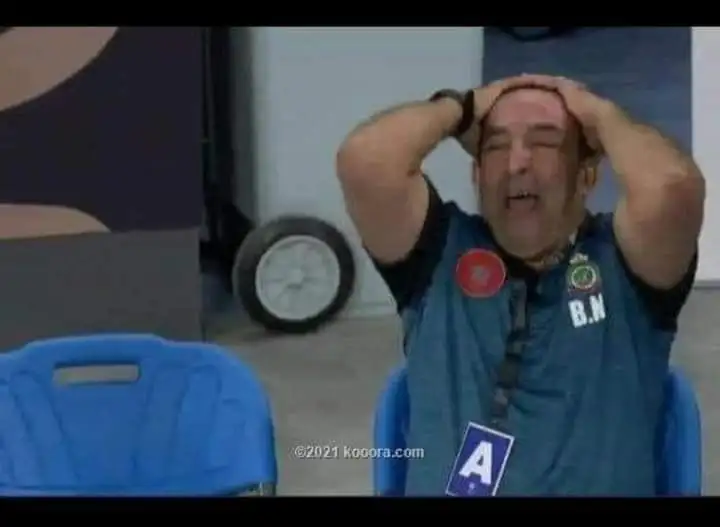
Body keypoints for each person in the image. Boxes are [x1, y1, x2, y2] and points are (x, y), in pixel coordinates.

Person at [336, 74, 705, 496]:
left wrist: (600, 115)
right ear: (477, 176)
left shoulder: (625, 262)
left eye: (544, 143)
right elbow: (365, 162)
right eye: (496, 146)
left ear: (587, 176)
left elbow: (671, 187)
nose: (516, 163)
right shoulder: (440, 254)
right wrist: (460, 108)